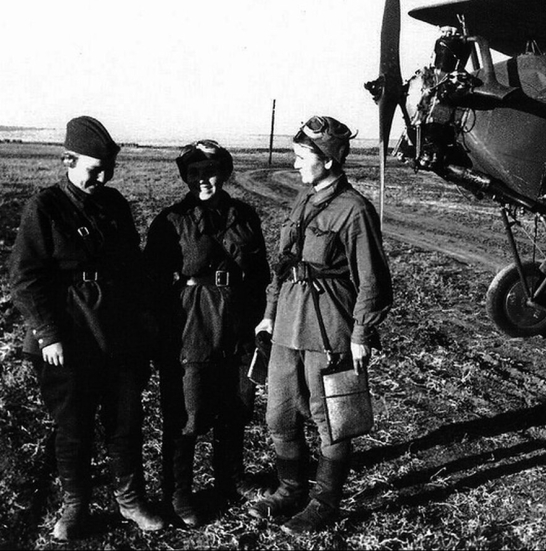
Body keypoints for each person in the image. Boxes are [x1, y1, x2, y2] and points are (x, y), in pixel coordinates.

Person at [8, 116, 165, 541]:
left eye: (107, 169)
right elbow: (25, 278)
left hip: (118, 332)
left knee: (126, 422)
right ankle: (75, 505)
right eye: (94, 169)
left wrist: (143, 324)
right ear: (68, 160)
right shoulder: (45, 207)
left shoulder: (114, 204)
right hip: (69, 334)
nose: (103, 177)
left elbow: (133, 268)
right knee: (73, 426)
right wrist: (48, 335)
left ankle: (131, 501)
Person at [248, 115, 393, 534]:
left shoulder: (355, 211)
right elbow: (284, 265)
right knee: (279, 415)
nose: (295, 164)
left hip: (329, 325)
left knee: (330, 416)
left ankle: (325, 501)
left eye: (301, 157)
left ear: (328, 161)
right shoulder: (305, 200)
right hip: (288, 325)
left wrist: (362, 333)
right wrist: (270, 314)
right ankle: (290, 489)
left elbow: (373, 280)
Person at [143, 140, 270, 527]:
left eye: (210, 171)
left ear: (225, 172)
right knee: (185, 409)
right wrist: (162, 330)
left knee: (235, 401)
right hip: (191, 321)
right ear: (185, 177)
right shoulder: (172, 221)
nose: (202, 180)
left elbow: (261, 273)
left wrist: (262, 319)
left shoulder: (244, 215)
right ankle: (178, 492)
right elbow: (150, 282)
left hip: (237, 317)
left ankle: (231, 479)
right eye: (194, 172)